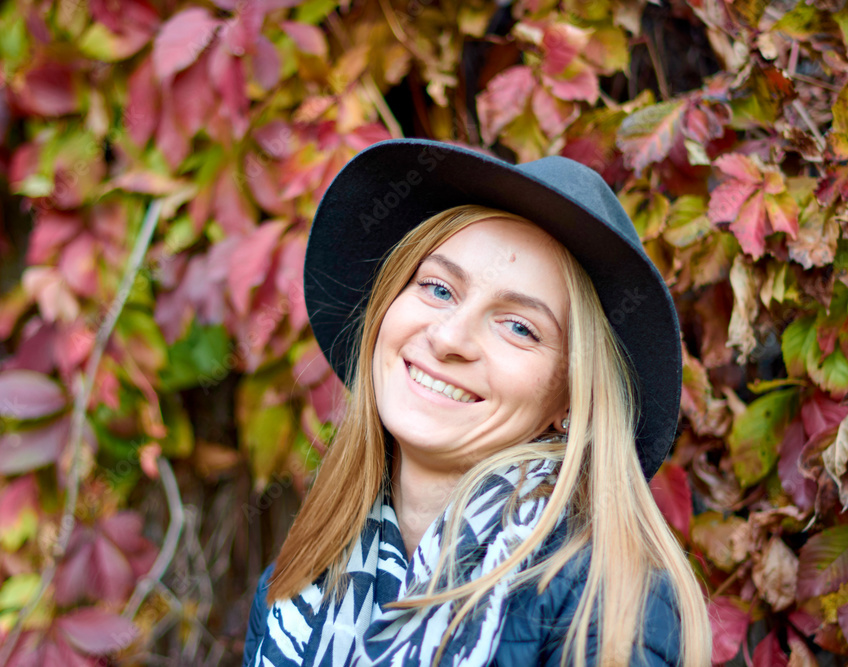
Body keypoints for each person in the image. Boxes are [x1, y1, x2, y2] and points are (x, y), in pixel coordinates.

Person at [242, 139, 712, 667]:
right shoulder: (300, 582)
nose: (449, 338)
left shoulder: (605, 606)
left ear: (572, 401)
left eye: (518, 327)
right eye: (439, 289)